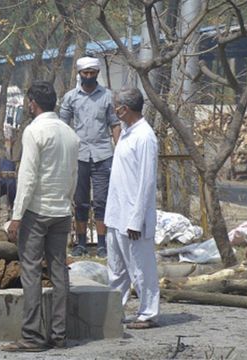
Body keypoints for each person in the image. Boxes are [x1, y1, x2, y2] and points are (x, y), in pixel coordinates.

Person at [2, 82, 79, 352]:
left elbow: (27, 177)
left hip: (37, 211)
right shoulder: (70, 134)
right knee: (59, 272)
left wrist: (17, 216)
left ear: (32, 103)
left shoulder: (34, 131)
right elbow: (73, 176)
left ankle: (33, 336)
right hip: (61, 211)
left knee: (32, 272)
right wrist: (67, 204)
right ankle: (59, 335)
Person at [104, 87, 160, 329]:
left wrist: (136, 220)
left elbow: (146, 182)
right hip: (116, 214)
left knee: (141, 269)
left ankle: (148, 313)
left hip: (132, 218)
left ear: (124, 109)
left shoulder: (145, 137)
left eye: (116, 106)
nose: (114, 110)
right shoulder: (127, 134)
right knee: (117, 270)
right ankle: (115, 311)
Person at [60, 56, 121, 258]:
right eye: (85, 73)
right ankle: (81, 242)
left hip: (103, 155)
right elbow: (62, 126)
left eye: (92, 73)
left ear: (97, 73)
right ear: (79, 74)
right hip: (79, 156)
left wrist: (119, 150)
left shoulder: (107, 97)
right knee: (80, 201)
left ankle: (103, 244)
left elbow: (114, 124)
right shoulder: (70, 97)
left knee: (102, 201)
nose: (88, 76)